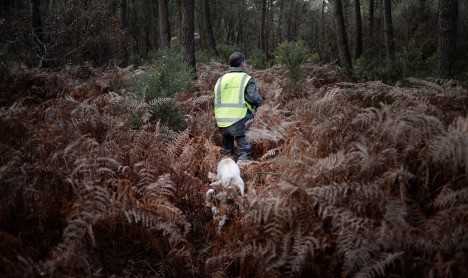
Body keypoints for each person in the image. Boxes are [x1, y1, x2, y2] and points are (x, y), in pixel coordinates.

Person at [213, 52, 262, 161]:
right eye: (245, 62)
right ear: (242, 63)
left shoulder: (221, 79)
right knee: (244, 151)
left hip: (221, 121)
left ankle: (226, 173)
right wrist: (260, 102)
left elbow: (215, 99)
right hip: (239, 120)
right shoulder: (246, 79)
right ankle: (243, 170)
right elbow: (254, 98)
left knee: (227, 153)